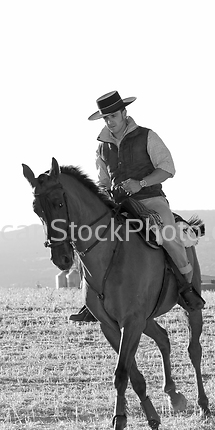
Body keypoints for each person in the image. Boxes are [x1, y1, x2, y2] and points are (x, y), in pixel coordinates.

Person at [69, 90, 205, 322]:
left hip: (151, 200)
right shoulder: (101, 147)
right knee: (87, 239)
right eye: (106, 118)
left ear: (124, 113)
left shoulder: (147, 136)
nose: (110, 121)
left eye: (113, 115)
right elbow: (102, 181)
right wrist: (105, 194)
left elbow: (168, 169)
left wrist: (140, 183)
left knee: (169, 237)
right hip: (117, 204)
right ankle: (91, 301)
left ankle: (187, 289)